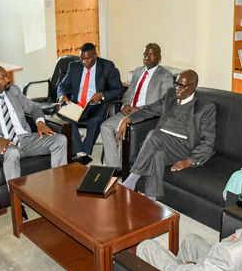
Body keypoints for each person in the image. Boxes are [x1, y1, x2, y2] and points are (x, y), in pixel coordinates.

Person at [118, 70, 216, 200]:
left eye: (183, 86)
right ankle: (151, 199)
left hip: (183, 146)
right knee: (157, 154)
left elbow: (208, 141)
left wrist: (190, 160)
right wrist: (128, 119)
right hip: (162, 143)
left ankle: (131, 180)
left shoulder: (205, 107)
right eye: (177, 84)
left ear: (193, 86)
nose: (178, 89)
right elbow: (151, 109)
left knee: (155, 134)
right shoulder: (171, 94)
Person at [0, 65, 67, 187]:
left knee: (60, 140)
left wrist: (40, 122)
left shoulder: (13, 90)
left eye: (7, 76)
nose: (7, 80)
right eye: (2, 78)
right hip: (3, 143)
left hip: (25, 139)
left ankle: (59, 186)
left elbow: (33, 107)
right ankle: (15, 197)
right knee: (13, 152)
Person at [100, 43, 173, 170]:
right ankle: (114, 168)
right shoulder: (138, 71)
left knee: (125, 130)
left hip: (147, 115)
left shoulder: (165, 75)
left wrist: (140, 109)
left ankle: (127, 167)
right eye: (145, 54)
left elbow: (165, 102)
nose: (147, 58)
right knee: (105, 126)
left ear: (159, 57)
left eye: (151, 55)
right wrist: (125, 105)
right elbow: (129, 93)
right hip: (129, 112)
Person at [57, 42, 125, 165]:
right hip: (78, 104)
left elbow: (119, 89)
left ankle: (85, 151)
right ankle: (80, 153)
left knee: (95, 120)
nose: (84, 62)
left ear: (95, 56)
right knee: (66, 118)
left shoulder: (107, 66)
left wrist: (102, 95)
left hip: (98, 105)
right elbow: (62, 85)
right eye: (81, 58)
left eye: (87, 59)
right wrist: (62, 96)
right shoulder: (74, 66)